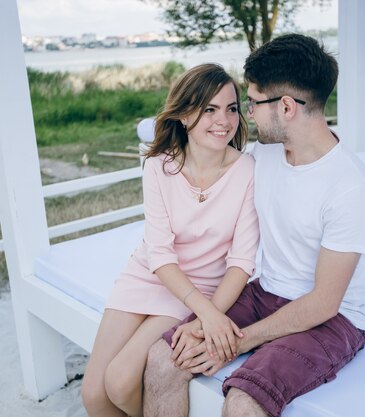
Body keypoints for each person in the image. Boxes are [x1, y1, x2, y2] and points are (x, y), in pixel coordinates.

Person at [143, 34, 365, 417]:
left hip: (333, 320)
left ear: (286, 106)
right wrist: (209, 316)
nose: (246, 115)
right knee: (162, 358)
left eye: (251, 103)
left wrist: (236, 341)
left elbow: (324, 302)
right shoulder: (264, 155)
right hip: (265, 293)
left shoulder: (349, 187)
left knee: (242, 401)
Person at [81, 63, 259, 417]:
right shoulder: (159, 166)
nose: (223, 120)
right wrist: (209, 316)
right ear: (183, 114)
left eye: (231, 108)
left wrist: (207, 311)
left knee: (120, 381)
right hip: (147, 275)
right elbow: (159, 253)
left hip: (197, 287)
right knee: (94, 395)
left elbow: (242, 262)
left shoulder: (249, 171)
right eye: (209, 109)